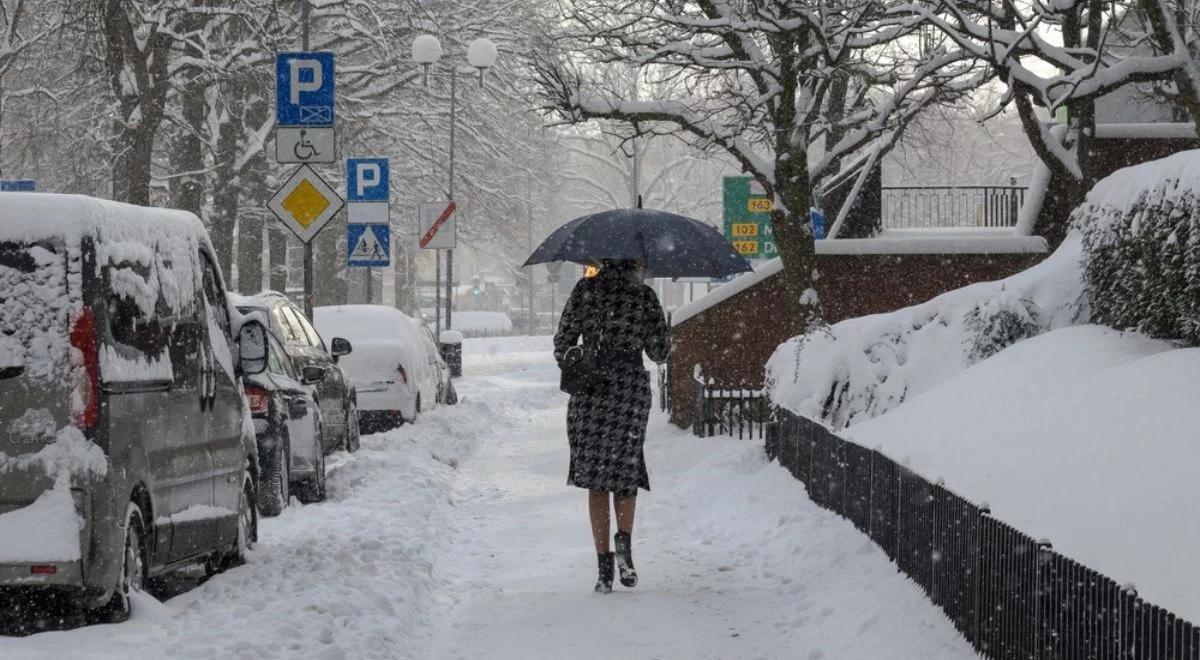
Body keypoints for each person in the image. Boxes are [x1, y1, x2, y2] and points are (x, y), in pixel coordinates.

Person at [553, 259, 670, 594]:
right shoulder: (644, 296)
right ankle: (625, 549)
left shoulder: (585, 291)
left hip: (590, 392)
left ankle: (604, 568)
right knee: (625, 473)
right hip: (629, 393)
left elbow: (562, 343)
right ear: (636, 261)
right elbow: (660, 352)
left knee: (596, 479)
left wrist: (583, 356)